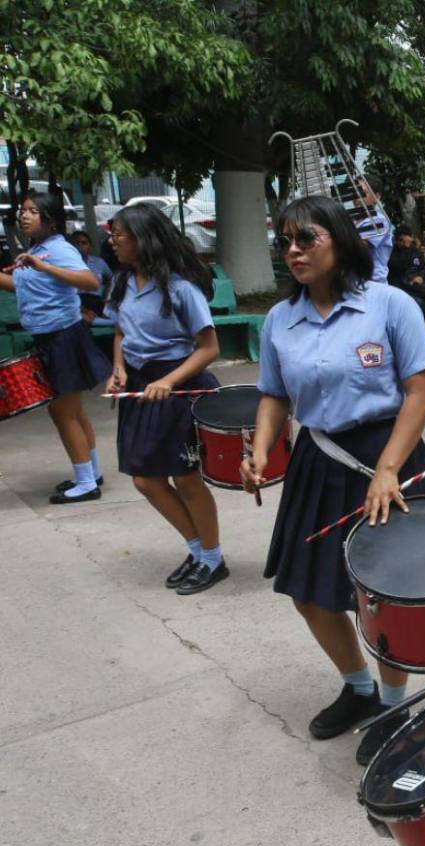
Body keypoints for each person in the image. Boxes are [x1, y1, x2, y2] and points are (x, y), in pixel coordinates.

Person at [243, 195, 425, 763]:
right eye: (285, 241)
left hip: (388, 454)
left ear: (339, 239)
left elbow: (420, 392)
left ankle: (394, 704)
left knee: (389, 599)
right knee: (310, 593)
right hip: (319, 461)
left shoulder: (389, 304)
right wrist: (259, 452)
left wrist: (387, 470)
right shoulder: (281, 319)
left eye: (307, 238)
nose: (294, 251)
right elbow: (275, 395)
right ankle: (358, 689)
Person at [104, 204, 227, 594]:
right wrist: (118, 368)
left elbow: (208, 348)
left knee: (186, 479)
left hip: (178, 387)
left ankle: (212, 558)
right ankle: (198, 550)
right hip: (140, 387)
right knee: (145, 479)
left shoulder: (180, 288)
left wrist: (170, 381)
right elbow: (122, 333)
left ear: (143, 238)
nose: (113, 239)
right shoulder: (122, 282)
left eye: (119, 233)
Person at [0, 191, 109, 502]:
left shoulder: (58, 249)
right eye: (22, 210)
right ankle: (91, 472)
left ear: (49, 218)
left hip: (63, 337)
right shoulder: (39, 249)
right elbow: (20, 285)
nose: (24, 215)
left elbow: (89, 282)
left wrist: (46, 267)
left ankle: (86, 483)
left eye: (32, 211)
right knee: (73, 412)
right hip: (50, 338)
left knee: (63, 414)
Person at [387, 224, 425, 350]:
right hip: (402, 288)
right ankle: (420, 338)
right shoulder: (392, 252)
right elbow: (397, 267)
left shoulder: (416, 252)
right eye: (404, 238)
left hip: (418, 287)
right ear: (399, 239)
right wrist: (405, 248)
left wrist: (420, 277)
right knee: (419, 304)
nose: (408, 240)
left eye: (409, 237)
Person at [68, 230, 113, 321]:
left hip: (97, 301)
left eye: (84, 243)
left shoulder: (99, 262)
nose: (80, 245)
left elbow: (111, 279)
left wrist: (106, 297)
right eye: (76, 243)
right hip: (75, 302)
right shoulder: (65, 264)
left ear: (90, 247)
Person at [357, 175, 393, 284]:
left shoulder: (379, 220)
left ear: (377, 197)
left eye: (363, 193)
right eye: (354, 192)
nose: (357, 197)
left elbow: (357, 246)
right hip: (356, 282)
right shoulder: (352, 220)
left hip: (374, 283)